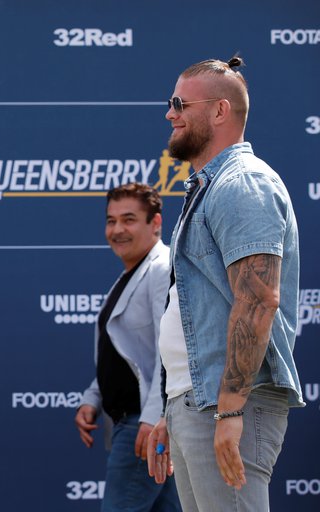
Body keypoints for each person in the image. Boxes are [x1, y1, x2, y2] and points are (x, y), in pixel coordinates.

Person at [146, 57, 303, 511]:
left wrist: (230, 409)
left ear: (219, 112)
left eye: (179, 103)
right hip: (200, 402)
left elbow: (258, 300)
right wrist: (175, 405)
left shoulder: (243, 183)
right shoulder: (211, 186)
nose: (169, 113)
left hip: (229, 404)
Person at [74, 183, 181, 511]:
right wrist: (93, 398)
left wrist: (153, 418)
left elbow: (170, 354)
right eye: (111, 220)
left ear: (156, 223)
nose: (117, 229)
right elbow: (128, 353)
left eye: (129, 219)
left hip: (144, 428)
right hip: (135, 424)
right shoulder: (130, 277)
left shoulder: (161, 270)